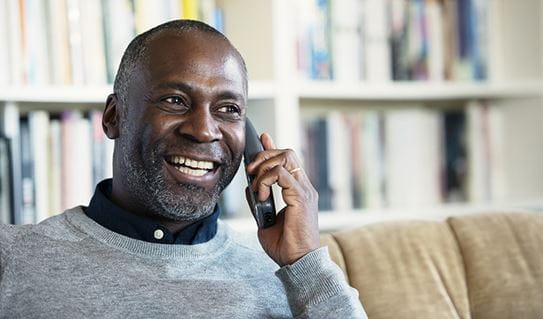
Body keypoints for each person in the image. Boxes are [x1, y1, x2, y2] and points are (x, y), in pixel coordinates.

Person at [0, 20, 366, 318]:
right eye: (175, 101)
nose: (205, 130)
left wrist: (305, 263)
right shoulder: (12, 257)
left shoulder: (295, 278)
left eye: (228, 109)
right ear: (114, 117)